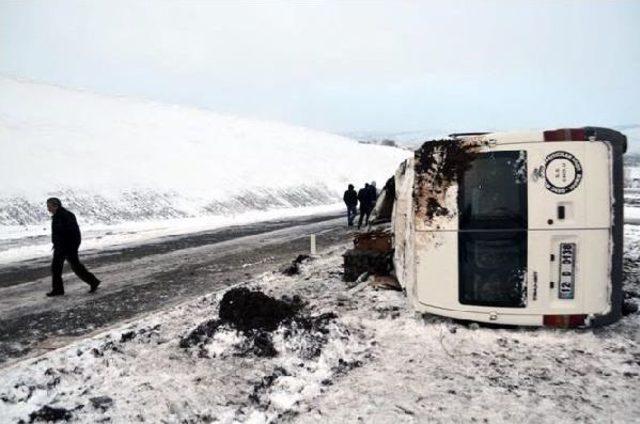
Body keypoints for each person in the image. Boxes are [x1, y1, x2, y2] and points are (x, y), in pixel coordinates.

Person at [46, 198, 101, 297]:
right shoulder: (58, 216)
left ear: (55, 205)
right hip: (60, 247)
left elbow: (75, 234)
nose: (48, 209)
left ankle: (93, 282)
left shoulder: (65, 215)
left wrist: (72, 247)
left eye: (49, 206)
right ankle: (58, 289)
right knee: (58, 268)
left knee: (75, 267)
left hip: (67, 247)